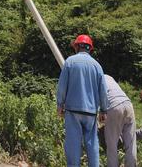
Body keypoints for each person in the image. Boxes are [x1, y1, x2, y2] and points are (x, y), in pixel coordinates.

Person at [57, 34, 109, 167]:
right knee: (92, 144)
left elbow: (62, 86)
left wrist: (60, 104)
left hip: (73, 110)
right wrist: (104, 109)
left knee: (73, 144)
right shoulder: (97, 66)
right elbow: (103, 90)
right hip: (91, 112)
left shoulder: (70, 62)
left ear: (77, 46)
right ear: (89, 49)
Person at [103, 74, 136, 167]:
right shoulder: (109, 77)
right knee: (131, 144)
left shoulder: (93, 80)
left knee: (111, 146)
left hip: (113, 107)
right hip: (128, 105)